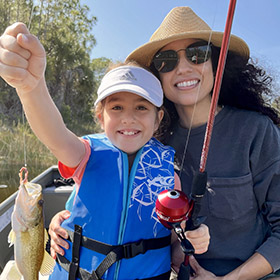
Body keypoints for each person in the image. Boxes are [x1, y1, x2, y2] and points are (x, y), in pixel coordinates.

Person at [0, 23, 210, 279]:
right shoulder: (84, 154)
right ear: (101, 117)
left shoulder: (169, 174)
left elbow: (173, 244)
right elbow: (54, 134)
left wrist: (190, 242)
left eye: (141, 108)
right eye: (117, 108)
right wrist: (31, 88)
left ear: (158, 118)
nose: (128, 119)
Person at [126, 6, 280, 280]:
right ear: (157, 76)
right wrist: (63, 224)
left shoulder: (257, 131)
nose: (183, 68)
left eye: (198, 54)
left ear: (216, 64)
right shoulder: (150, 145)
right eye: (167, 60)